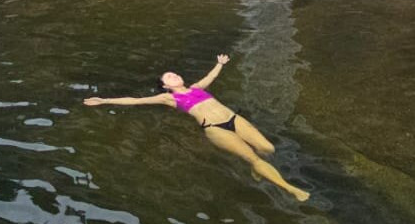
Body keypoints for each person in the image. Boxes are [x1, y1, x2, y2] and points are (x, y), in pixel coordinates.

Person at [83, 53, 310, 201]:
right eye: (169, 76)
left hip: (233, 118)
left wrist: (219, 64)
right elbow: (135, 100)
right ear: (165, 85)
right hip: (214, 128)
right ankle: (289, 188)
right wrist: (104, 100)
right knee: (255, 159)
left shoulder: (196, 87)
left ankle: (256, 168)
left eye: (175, 73)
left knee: (268, 149)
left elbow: (210, 77)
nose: (174, 75)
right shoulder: (168, 98)